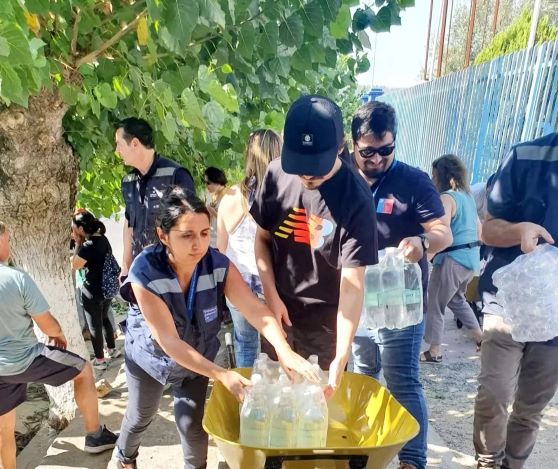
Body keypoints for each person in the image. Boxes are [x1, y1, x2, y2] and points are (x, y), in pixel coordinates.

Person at [110, 187, 318, 469]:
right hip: (151, 359)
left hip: (197, 358)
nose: (198, 245)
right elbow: (169, 341)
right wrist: (222, 374)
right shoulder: (144, 273)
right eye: (187, 235)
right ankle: (125, 456)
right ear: (163, 236)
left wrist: (284, 350)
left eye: (205, 234)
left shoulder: (217, 264)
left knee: (194, 428)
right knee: (140, 416)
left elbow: (254, 309)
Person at [250, 95, 378, 398]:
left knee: (315, 410)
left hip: (326, 325)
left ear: (341, 147)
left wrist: (341, 354)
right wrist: (271, 298)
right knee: (274, 402)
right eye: (300, 165)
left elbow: (352, 285)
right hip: (278, 314)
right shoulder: (276, 173)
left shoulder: (356, 199)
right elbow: (262, 239)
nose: (307, 175)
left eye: (316, 167)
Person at [349, 101, 452, 469]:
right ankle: (361, 451)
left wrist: (423, 243)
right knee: (362, 379)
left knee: (403, 381)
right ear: (353, 144)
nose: (377, 158)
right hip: (356, 298)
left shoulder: (413, 181)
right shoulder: (341, 177)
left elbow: (443, 232)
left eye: (386, 149)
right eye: (368, 151)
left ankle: (412, 459)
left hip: (401, 300)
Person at [0, 222, 118, 469]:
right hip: (25, 359)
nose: (9, 245)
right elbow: (48, 326)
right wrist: (59, 335)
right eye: (8, 240)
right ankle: (95, 434)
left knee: (4, 429)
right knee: (84, 370)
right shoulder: (16, 278)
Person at [473, 133, 558, 469]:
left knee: (530, 408)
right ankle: (487, 462)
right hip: (506, 301)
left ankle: (513, 465)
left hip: (554, 316)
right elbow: (488, 230)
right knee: (494, 393)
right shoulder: (526, 155)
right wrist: (520, 229)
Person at [217, 129, 282, 367]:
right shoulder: (281, 194)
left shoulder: (231, 195)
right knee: (279, 346)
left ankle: (249, 399)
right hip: (272, 286)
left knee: (245, 344)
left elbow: (220, 250)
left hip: (237, 286)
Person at [421, 155, 483, 363]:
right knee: (457, 300)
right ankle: (481, 338)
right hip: (470, 259)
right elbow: (479, 229)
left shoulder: (446, 198)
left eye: (434, 175)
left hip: (452, 258)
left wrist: (426, 255)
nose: (432, 179)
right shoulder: (467, 197)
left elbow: (442, 231)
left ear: (444, 176)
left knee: (436, 302)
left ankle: (435, 350)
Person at [116, 117, 195, 277]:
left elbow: (192, 225)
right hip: (140, 271)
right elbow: (129, 223)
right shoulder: (128, 182)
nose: (116, 150)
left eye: (119, 144)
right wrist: (127, 264)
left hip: (171, 273)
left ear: (135, 144)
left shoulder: (176, 175)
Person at [71, 210, 120, 370]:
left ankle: (99, 360)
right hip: (107, 289)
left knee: (94, 326)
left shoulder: (88, 245)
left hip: (92, 291)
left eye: (74, 228)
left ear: (80, 228)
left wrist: (78, 243)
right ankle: (112, 349)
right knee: (104, 318)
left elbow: (75, 265)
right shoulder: (103, 239)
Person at [204, 166, 228, 247]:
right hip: (212, 241)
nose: (206, 186)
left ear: (216, 181)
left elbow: (229, 222)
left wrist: (213, 212)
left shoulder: (228, 196)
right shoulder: (213, 196)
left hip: (222, 243)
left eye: (208, 183)